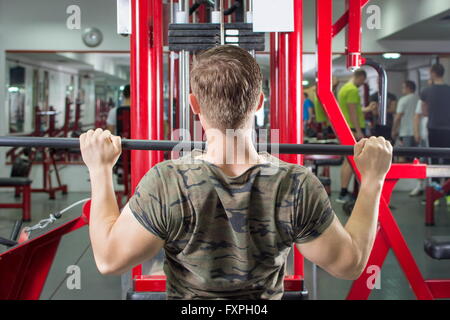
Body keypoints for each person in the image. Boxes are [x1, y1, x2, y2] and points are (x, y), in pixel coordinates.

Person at [79, 45, 392, 300]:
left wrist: (100, 168)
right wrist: (373, 179)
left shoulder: (168, 180)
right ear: (259, 103)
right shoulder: (296, 184)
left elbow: (109, 260)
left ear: (194, 105)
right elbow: (349, 265)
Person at [420, 63, 450, 203]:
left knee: (435, 160)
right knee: (448, 160)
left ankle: (435, 196)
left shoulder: (426, 91)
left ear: (432, 73)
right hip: (448, 129)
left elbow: (424, 111)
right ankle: (448, 194)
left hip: (433, 128)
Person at [336, 69, 367, 203]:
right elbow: (353, 112)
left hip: (346, 127)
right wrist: (359, 131)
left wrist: (367, 109)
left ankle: (343, 191)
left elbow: (351, 109)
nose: (362, 83)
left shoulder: (344, 89)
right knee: (350, 160)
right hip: (353, 129)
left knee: (347, 160)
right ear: (359, 77)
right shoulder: (353, 90)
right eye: (363, 80)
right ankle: (343, 193)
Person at [392, 81, 419, 151]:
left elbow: (398, 117)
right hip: (418, 132)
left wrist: (394, 130)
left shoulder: (403, 100)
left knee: (405, 154)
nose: (402, 89)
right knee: (417, 155)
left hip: (405, 132)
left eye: (403, 87)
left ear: (408, 88)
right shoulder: (419, 99)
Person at [410, 98, 429, 197]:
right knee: (422, 161)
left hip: (440, 134)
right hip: (425, 135)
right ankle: (420, 186)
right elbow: (417, 116)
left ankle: (439, 189)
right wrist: (416, 133)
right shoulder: (423, 99)